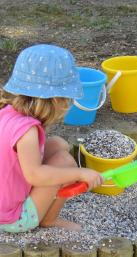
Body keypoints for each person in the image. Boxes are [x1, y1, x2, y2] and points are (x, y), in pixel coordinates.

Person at [0, 44, 103, 233]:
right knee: (65, 161)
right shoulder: (27, 132)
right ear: (57, 99)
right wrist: (80, 174)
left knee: (58, 144)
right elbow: (35, 175)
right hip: (11, 217)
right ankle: (49, 219)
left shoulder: (8, 113)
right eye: (67, 99)